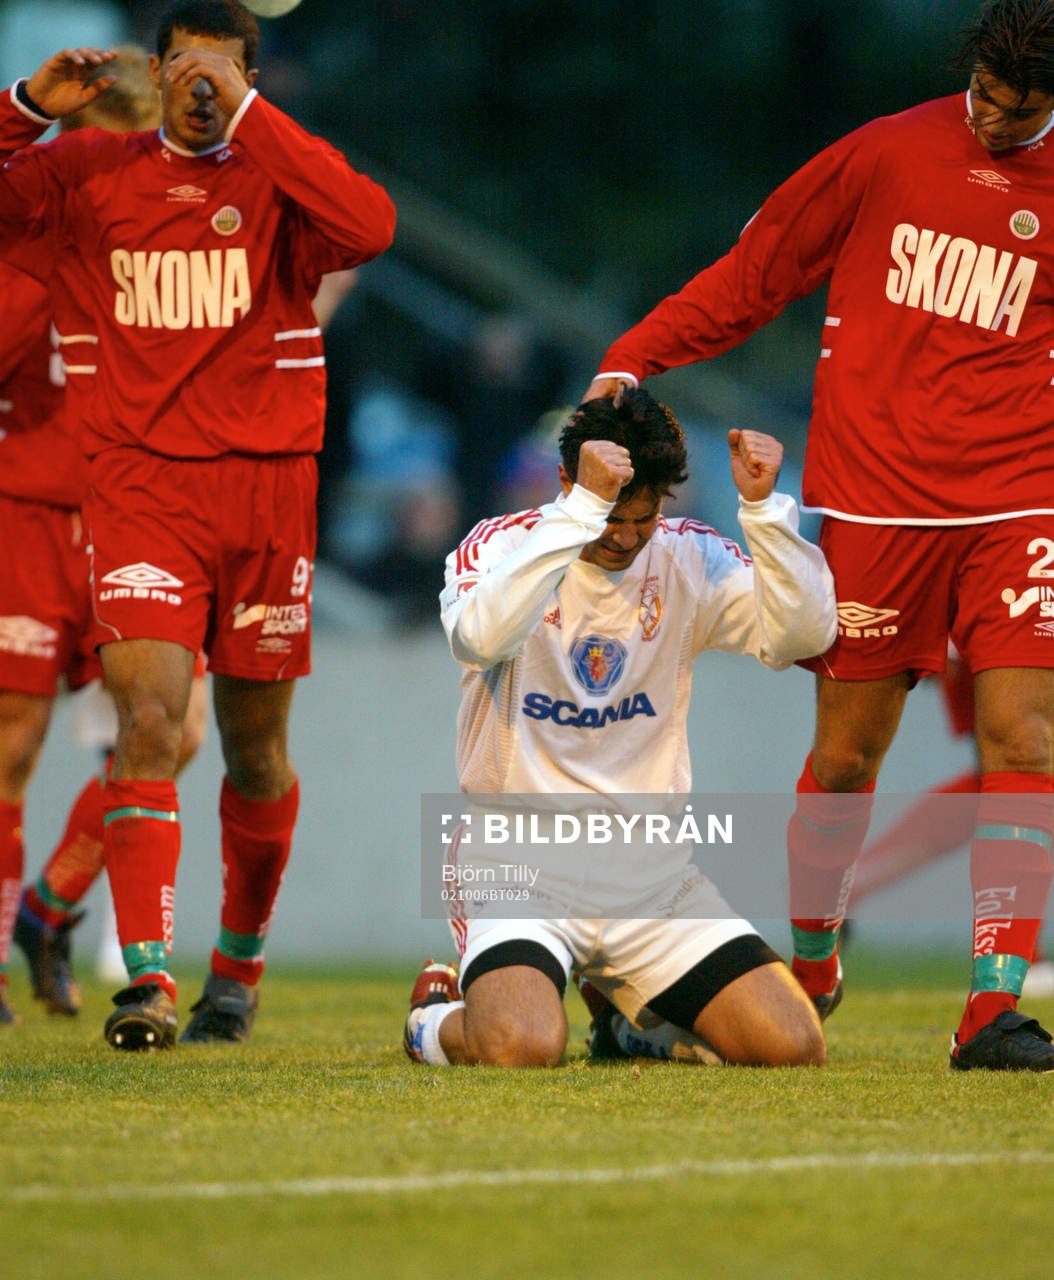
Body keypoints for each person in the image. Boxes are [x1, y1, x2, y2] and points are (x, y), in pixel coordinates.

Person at [585, 0, 1054, 1070]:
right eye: (982, 94)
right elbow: (758, 274)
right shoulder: (884, 153)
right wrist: (636, 353)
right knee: (846, 757)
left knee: (1023, 741)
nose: (991, 120)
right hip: (878, 498)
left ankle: (991, 1006)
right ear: (968, 69)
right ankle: (810, 959)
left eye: (1019, 110)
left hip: (1020, 496)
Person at [0, 0, 395, 1050]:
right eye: (184, 66)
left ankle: (237, 965)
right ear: (162, 71)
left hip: (267, 494)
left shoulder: (283, 172)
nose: (200, 84)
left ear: (251, 77)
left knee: (254, 752)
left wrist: (254, 117)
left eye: (222, 69)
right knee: (150, 721)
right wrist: (26, 109)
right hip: (138, 493)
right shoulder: (89, 172)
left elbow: (371, 226)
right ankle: (148, 981)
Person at [404, 388, 837, 1069]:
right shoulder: (502, 544)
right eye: (613, 517)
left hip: (651, 874)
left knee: (791, 1043)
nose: (628, 537)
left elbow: (801, 635)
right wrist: (581, 515)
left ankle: (629, 1027)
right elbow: (479, 638)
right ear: (567, 481)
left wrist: (763, 513)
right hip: (519, 862)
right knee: (521, 1047)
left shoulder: (687, 557)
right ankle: (432, 1021)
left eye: (644, 517)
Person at [0, 46, 211, 1027]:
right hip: (35, 514)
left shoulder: (181, 249)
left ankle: (46, 911)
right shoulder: (36, 244)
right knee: (14, 742)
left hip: (145, 508)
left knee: (170, 734)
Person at [847, 652, 1054, 997]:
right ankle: (1018, 957)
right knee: (1012, 778)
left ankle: (849, 879)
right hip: (997, 620)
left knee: (1004, 782)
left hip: (988, 623)